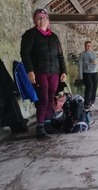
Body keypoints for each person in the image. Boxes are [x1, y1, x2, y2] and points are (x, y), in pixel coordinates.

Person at [20, 9, 67, 139]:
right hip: (39, 72)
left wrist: (63, 71)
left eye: (44, 18)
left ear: (48, 20)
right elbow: (25, 54)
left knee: (50, 99)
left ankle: (47, 124)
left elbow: (60, 55)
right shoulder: (30, 35)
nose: (42, 20)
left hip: (54, 72)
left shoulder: (54, 37)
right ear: (35, 20)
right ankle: (40, 128)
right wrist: (30, 71)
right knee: (43, 100)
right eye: (39, 18)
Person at [78, 41, 98, 109]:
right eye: (87, 46)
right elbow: (80, 65)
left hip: (94, 72)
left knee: (94, 87)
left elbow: (97, 63)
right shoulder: (82, 55)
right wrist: (80, 75)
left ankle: (92, 102)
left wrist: (96, 63)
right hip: (86, 73)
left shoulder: (94, 54)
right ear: (85, 46)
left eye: (90, 46)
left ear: (91, 47)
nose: (88, 47)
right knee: (89, 87)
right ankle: (86, 103)